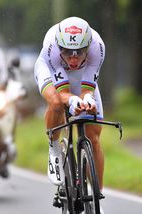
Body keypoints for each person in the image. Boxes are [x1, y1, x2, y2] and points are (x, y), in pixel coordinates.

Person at [34, 16, 106, 209]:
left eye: (78, 53)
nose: (73, 59)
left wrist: (87, 99)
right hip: (50, 71)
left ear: (88, 48)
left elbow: (87, 88)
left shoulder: (97, 47)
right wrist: (73, 100)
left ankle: (97, 195)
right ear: (60, 48)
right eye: (68, 53)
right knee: (57, 103)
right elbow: (63, 93)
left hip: (82, 76)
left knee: (94, 136)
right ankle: (54, 147)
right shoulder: (52, 48)